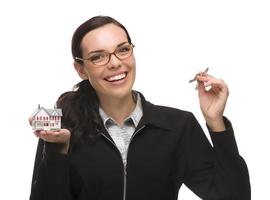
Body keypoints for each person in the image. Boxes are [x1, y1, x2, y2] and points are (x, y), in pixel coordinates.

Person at [29, 16, 250, 200]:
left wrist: (215, 123)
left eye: (122, 50)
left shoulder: (178, 126)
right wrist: (57, 150)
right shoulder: (61, 127)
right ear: (81, 69)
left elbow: (232, 196)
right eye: (98, 57)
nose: (115, 63)